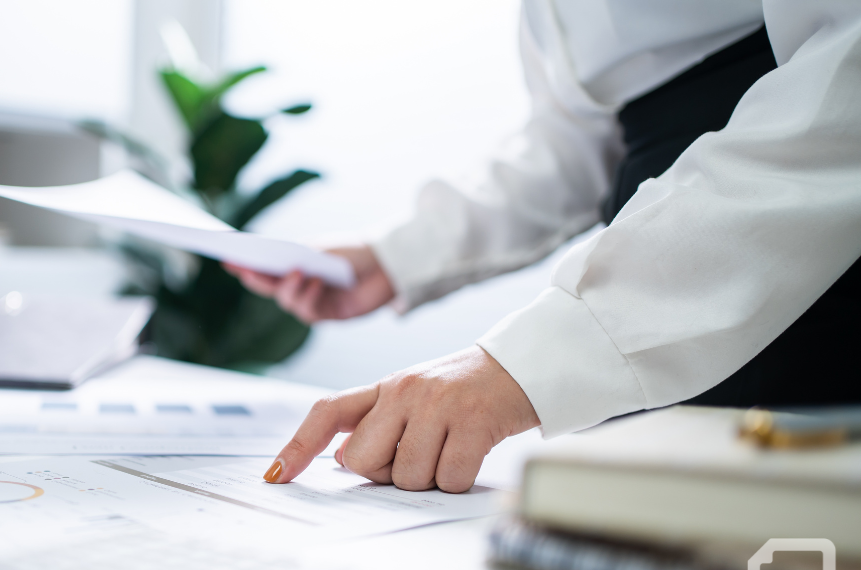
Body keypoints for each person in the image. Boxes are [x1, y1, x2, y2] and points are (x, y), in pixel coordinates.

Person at [225, 0, 861, 492]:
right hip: (664, 259)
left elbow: (845, 87)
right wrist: (395, 255)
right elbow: (579, 138)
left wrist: (525, 365)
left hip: (794, 271)